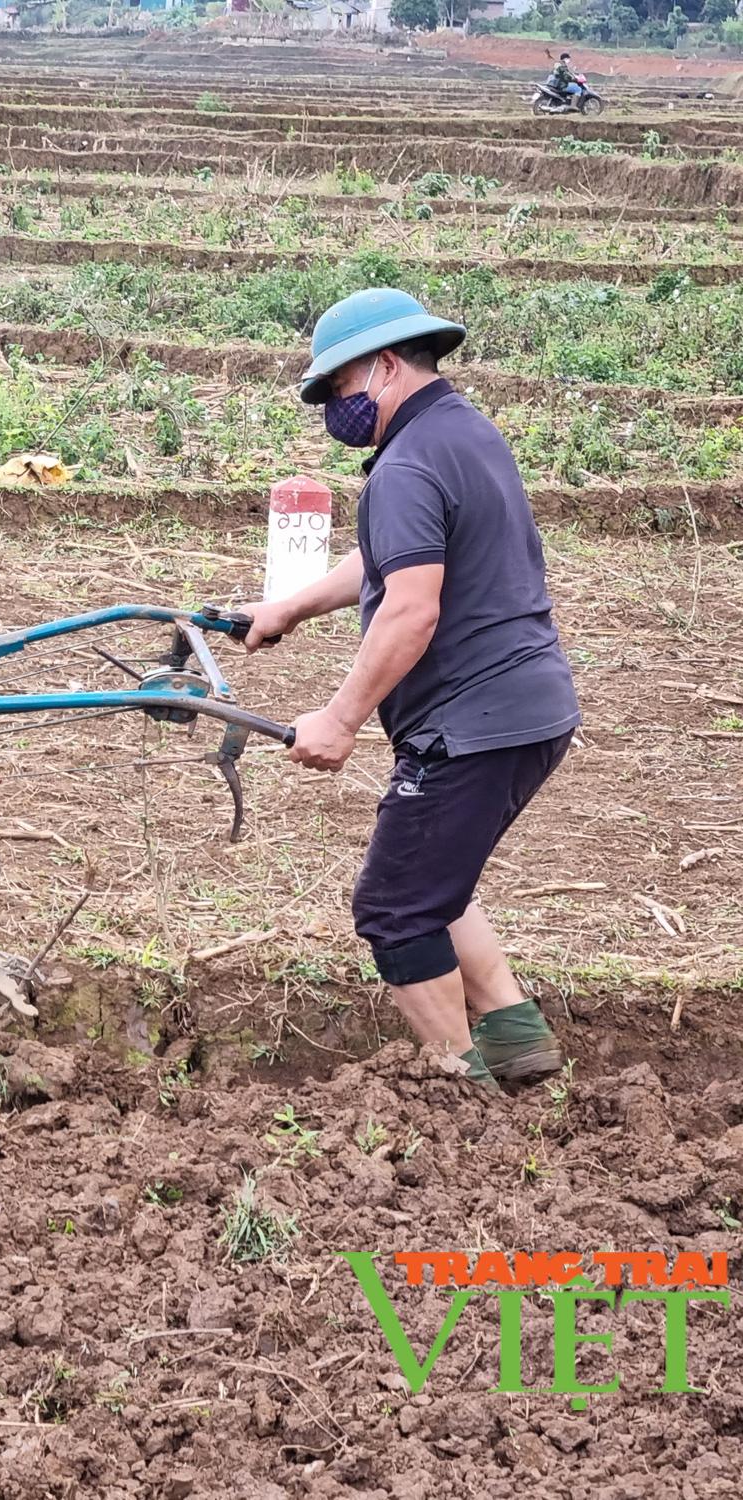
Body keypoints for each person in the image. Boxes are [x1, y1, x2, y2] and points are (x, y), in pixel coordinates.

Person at [239, 287, 580, 1095]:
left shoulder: (407, 464)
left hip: (474, 723)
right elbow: (392, 556)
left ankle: (459, 1091)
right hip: (530, 710)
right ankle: (520, 1048)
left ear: (387, 365)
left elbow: (411, 607)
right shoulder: (463, 433)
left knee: (395, 907)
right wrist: (288, 605)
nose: (333, 409)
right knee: (437, 878)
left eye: (339, 388)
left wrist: (340, 717)